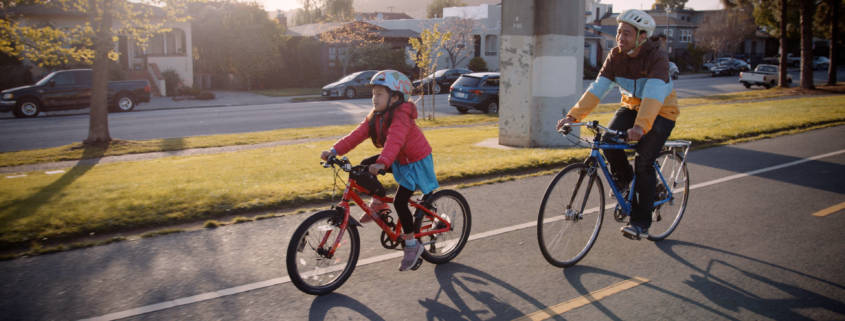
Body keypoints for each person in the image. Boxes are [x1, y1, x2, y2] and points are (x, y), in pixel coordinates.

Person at [556, 9, 679, 240]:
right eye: (619, 32)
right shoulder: (615, 57)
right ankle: (627, 185)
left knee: (644, 161)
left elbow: (653, 96)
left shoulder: (657, 58)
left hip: (662, 112)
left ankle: (641, 222)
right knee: (607, 142)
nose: (620, 38)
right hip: (631, 107)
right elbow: (596, 90)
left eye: (627, 34)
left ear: (642, 37)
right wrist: (573, 117)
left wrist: (640, 128)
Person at [320, 70, 439, 271]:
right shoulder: (376, 117)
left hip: (414, 161)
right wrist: (334, 151)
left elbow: (395, 141)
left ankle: (412, 245)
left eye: (380, 94)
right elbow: (356, 135)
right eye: (373, 93)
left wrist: (383, 163)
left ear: (395, 97)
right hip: (397, 157)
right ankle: (380, 204)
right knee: (362, 167)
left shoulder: (401, 116)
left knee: (401, 202)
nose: (374, 98)